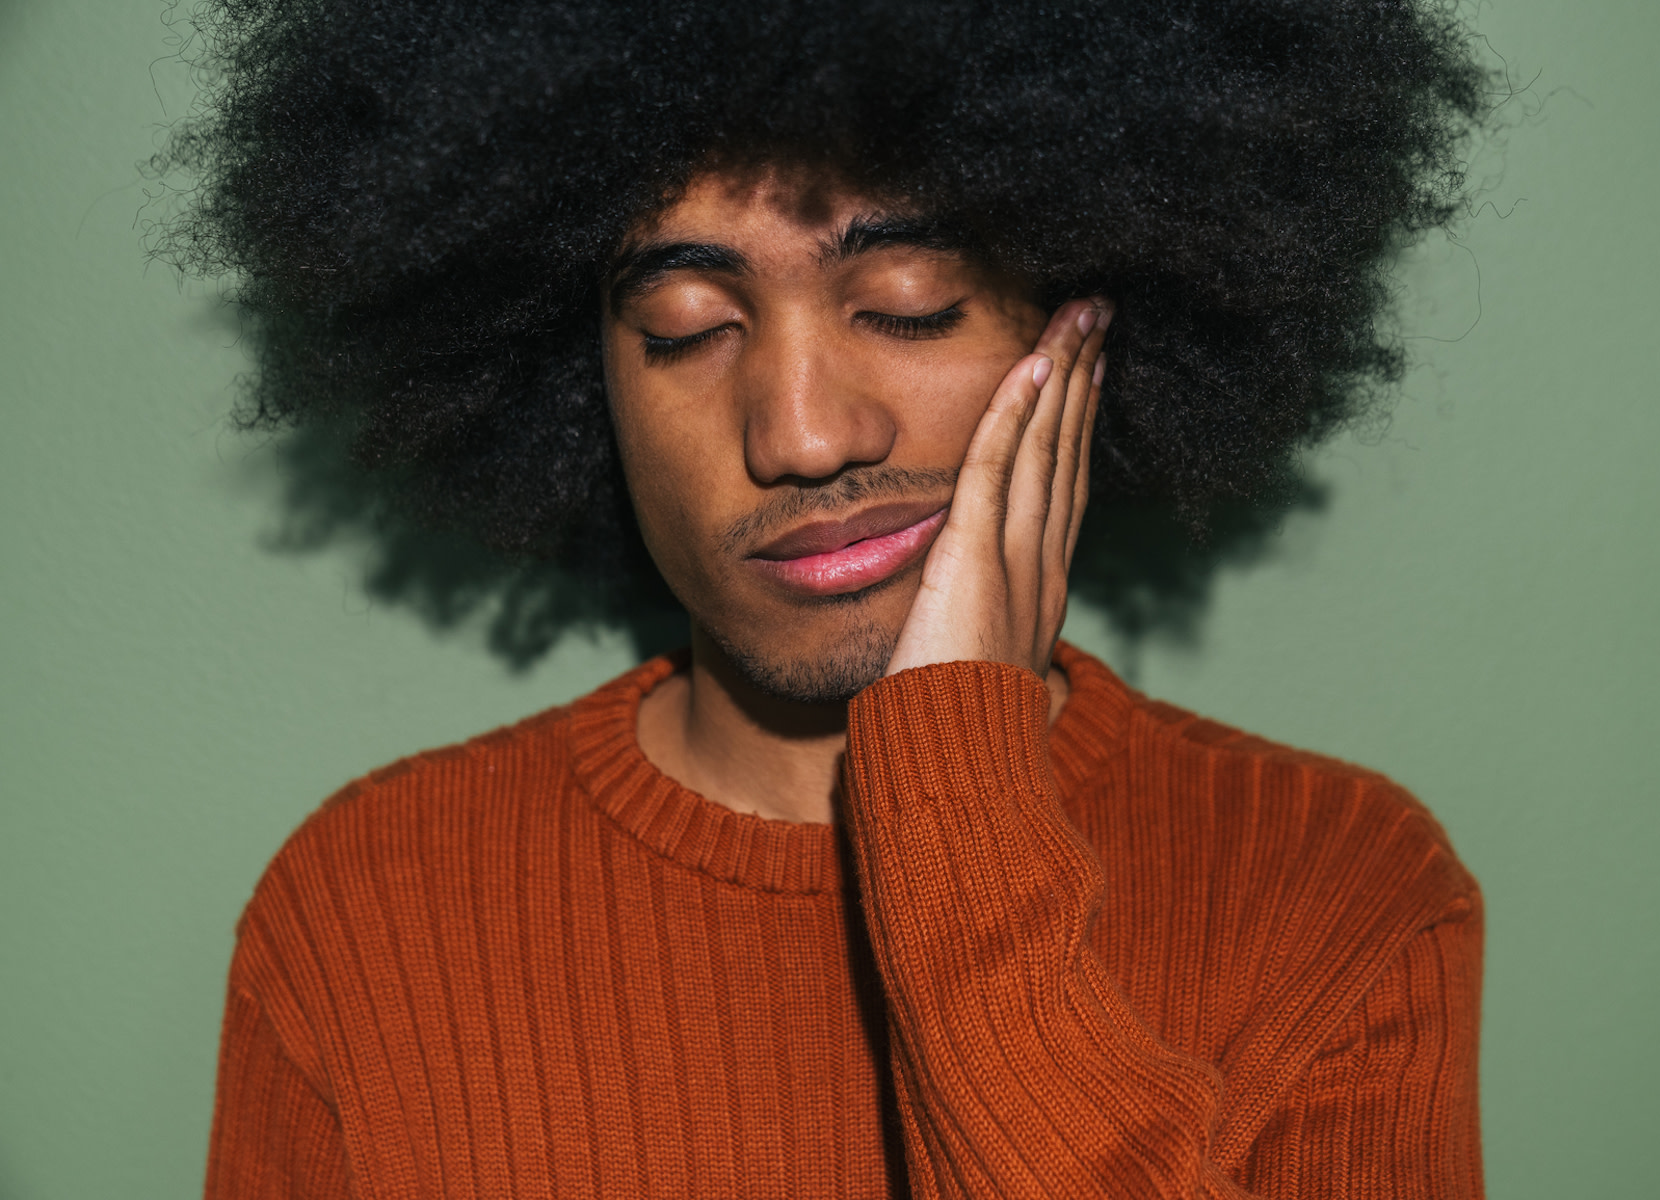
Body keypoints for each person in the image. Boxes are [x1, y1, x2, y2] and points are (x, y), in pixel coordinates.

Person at [164, 0, 1491, 1195]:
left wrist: (957, 804)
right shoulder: (360, 915)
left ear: (1082, 320)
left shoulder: (1340, 894)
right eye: (685, 323)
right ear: (580, 387)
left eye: (908, 301)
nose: (802, 434)